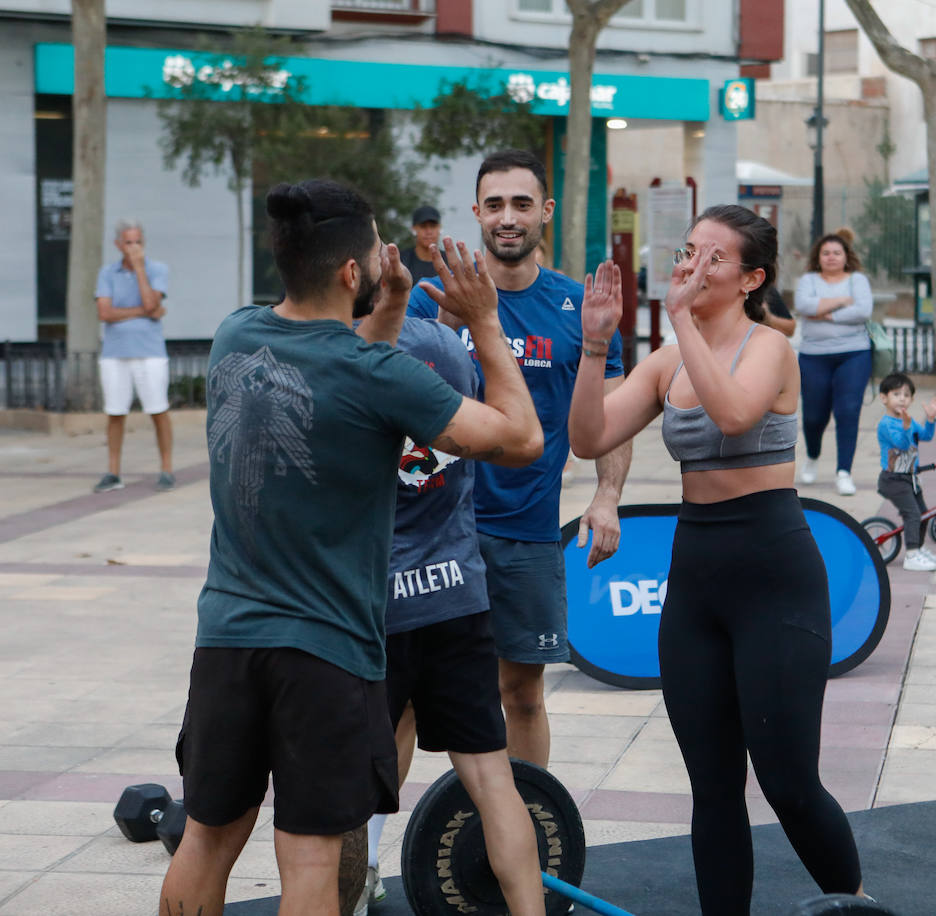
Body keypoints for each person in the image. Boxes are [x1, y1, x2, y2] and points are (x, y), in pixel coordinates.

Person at [159, 178, 542, 916]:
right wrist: (485, 323)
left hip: (227, 644)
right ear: (349, 273)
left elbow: (335, 370)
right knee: (308, 864)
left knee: (205, 839)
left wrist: (391, 303)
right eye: (374, 255)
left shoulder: (236, 335)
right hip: (325, 658)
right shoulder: (380, 376)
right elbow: (520, 438)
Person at [567, 205, 865, 915]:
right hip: (698, 578)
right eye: (687, 252)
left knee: (789, 781)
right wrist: (592, 347)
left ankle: (855, 902)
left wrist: (678, 323)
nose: (691, 268)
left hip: (776, 576)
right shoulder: (670, 358)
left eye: (711, 260)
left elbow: (734, 414)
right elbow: (588, 437)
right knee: (712, 786)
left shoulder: (770, 348)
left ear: (750, 279)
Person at [407, 149, 631, 768]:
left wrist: (606, 496)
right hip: (432, 529)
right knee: (399, 698)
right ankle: (368, 859)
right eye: (496, 204)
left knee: (522, 695)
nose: (508, 217)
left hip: (526, 533)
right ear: (477, 212)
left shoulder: (575, 307)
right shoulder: (434, 300)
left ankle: (533, 828)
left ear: (546, 213)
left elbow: (610, 413)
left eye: (522, 204)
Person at [359, 260, 543, 914]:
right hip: (455, 596)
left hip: (372, 609)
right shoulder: (443, 345)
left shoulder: (338, 353)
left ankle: (354, 890)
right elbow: (519, 431)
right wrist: (484, 321)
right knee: (492, 779)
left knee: (348, 792)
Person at [93, 219, 175, 493]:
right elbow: (104, 313)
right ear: (118, 244)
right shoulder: (107, 273)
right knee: (115, 413)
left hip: (150, 352)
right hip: (114, 353)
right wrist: (144, 311)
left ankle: (166, 469)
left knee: (158, 410)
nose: (134, 247)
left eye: (138, 241)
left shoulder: (157, 269)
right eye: (128, 242)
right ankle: (113, 472)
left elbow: (153, 302)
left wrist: (140, 269)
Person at [793, 229, 874, 496]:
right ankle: (813, 456)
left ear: (846, 256)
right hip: (813, 356)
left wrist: (825, 314)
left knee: (848, 411)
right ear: (818, 256)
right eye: (825, 253)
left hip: (854, 354)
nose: (831, 257)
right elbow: (803, 306)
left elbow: (863, 310)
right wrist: (840, 302)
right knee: (814, 416)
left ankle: (844, 472)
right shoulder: (808, 280)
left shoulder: (858, 280)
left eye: (836, 253)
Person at [875, 372, 936, 572]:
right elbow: (902, 444)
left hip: (910, 478)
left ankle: (919, 548)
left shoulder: (909, 421)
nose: (902, 398)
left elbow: (926, 436)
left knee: (924, 514)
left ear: (912, 399)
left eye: (906, 394)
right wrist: (905, 427)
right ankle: (911, 555)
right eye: (896, 394)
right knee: (912, 514)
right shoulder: (885, 424)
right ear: (884, 398)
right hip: (893, 479)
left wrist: (930, 419)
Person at [398, 204, 442, 283]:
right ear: (414, 229)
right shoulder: (401, 261)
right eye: (423, 226)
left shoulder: (449, 262)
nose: (429, 232)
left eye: (433, 226)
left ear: (439, 228)